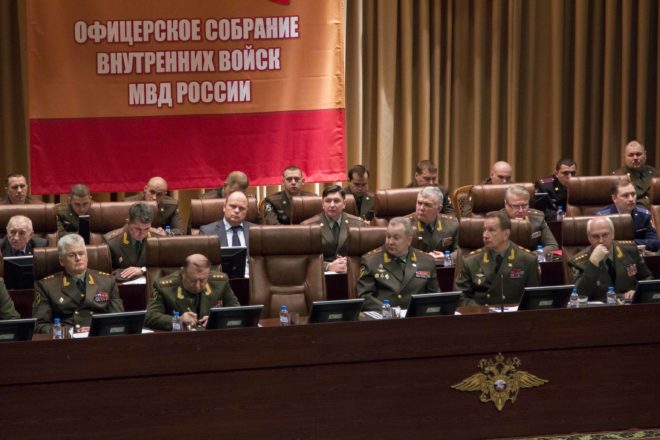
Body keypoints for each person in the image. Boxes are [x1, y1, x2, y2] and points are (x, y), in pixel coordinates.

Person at [33, 234, 123, 333]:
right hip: (67, 339)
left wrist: (96, 329)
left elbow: (118, 320)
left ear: (87, 256)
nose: (78, 258)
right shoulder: (46, 286)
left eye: (81, 253)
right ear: (61, 261)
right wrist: (70, 332)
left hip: (99, 337)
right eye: (72, 255)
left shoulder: (107, 281)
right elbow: (39, 325)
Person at [454, 211, 540, 305]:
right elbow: (460, 296)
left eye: (491, 230)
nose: (485, 235)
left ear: (506, 234)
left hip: (514, 313)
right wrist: (481, 310)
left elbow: (534, 298)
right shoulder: (471, 261)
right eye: (484, 230)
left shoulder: (527, 260)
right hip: (481, 312)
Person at [357, 217, 439, 310]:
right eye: (388, 237)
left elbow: (435, 296)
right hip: (384, 316)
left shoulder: (427, 261)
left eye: (396, 238)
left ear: (409, 240)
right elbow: (365, 297)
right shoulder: (371, 261)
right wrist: (388, 310)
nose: (390, 242)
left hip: (417, 316)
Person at [145, 254, 240, 331]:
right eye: (192, 280)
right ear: (183, 272)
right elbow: (149, 317)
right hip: (180, 339)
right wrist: (178, 320)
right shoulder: (164, 287)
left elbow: (237, 311)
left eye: (202, 280)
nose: (197, 286)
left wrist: (217, 319)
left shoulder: (221, 282)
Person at [568, 216, 652, 302]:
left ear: (613, 234)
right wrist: (593, 263)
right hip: (600, 308)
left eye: (605, 235)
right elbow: (578, 296)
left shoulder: (630, 250)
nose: (601, 241)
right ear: (589, 238)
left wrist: (637, 291)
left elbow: (647, 277)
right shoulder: (578, 262)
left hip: (629, 304)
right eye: (595, 236)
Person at [301, 185, 367, 272]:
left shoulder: (359, 224)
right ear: (322, 204)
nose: (332, 205)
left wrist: (351, 263)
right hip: (320, 275)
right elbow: (303, 258)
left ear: (344, 204)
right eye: (328, 201)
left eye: (336, 201)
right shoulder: (308, 226)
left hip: (351, 273)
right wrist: (328, 266)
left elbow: (369, 254)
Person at [595, 177, 659, 252]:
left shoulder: (643, 215)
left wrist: (626, 244)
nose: (631, 199)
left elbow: (654, 243)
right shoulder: (602, 218)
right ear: (614, 198)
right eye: (625, 196)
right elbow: (600, 244)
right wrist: (636, 243)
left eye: (633, 194)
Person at [103, 202, 164, 280]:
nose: (142, 234)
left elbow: (167, 268)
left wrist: (143, 270)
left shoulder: (160, 238)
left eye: (146, 229)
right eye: (137, 229)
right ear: (128, 223)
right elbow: (105, 274)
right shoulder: (111, 242)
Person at [404, 186, 458, 263]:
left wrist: (447, 258)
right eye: (419, 203)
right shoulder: (403, 225)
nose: (421, 208)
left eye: (427, 205)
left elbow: (460, 252)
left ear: (439, 208)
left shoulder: (452, 224)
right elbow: (395, 253)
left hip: (442, 268)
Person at [501, 185, 559, 253]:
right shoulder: (496, 221)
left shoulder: (538, 219)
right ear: (506, 203)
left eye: (524, 205)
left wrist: (531, 256)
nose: (520, 210)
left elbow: (553, 246)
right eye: (515, 206)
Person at [612, 140, 660, 208]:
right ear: (625, 157)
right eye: (631, 155)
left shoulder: (656, 174)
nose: (635, 158)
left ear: (645, 155)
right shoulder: (618, 177)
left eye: (638, 154)